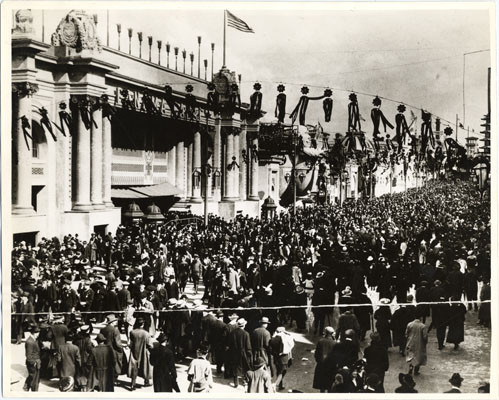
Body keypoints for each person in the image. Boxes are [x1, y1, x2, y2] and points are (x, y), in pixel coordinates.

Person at [128, 317, 153, 390]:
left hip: (134, 352)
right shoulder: (146, 334)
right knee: (145, 367)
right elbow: (150, 345)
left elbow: (130, 344)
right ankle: (146, 381)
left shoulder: (132, 332)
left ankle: (133, 384)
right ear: (143, 324)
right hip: (143, 352)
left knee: (134, 367)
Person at [227, 318, 252, 388]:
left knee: (235, 367)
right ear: (244, 325)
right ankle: (244, 381)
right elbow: (248, 345)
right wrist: (249, 353)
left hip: (234, 352)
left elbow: (229, 343)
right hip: (243, 353)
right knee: (244, 367)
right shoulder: (246, 334)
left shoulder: (233, 333)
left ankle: (236, 383)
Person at [269, 326, 295, 392]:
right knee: (283, 371)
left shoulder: (273, 338)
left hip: (276, 357)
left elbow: (270, 348)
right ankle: (276, 384)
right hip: (283, 358)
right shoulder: (285, 337)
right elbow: (291, 344)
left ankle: (280, 385)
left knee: (278, 370)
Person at [100, 314, 123, 381]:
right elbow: (118, 343)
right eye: (115, 320)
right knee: (115, 364)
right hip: (113, 349)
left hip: (105, 348)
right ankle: (114, 379)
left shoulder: (103, 329)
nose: (116, 321)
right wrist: (121, 349)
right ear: (113, 322)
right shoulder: (115, 330)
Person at [313, 326, 336, 392]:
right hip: (331, 366)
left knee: (322, 385)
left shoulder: (320, 341)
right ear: (331, 333)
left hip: (321, 365)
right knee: (330, 385)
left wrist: (318, 361)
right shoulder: (334, 343)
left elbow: (317, 354)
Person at [24, 322, 41, 392]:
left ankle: (26, 387)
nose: (38, 335)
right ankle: (34, 393)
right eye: (37, 333)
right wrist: (33, 363)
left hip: (36, 362)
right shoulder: (30, 342)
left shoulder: (33, 340)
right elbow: (28, 355)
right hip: (33, 363)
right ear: (34, 333)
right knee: (34, 380)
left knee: (33, 378)